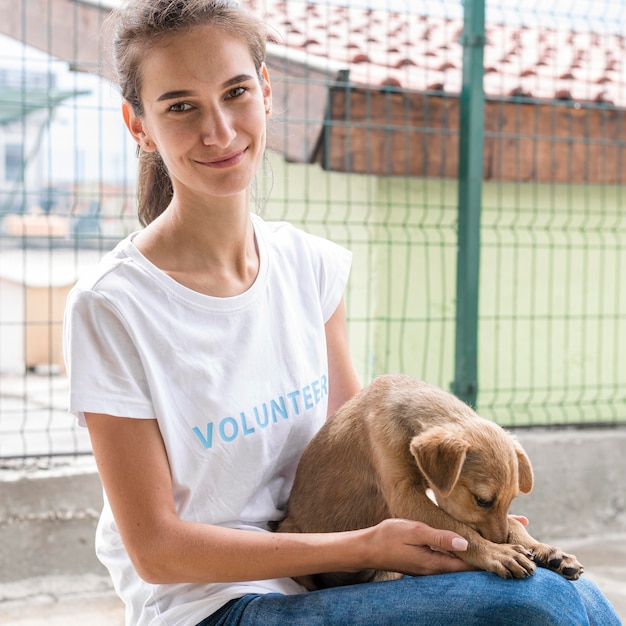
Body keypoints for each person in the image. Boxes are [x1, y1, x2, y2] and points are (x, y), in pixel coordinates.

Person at [63, 1, 622, 625]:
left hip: (332, 582)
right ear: (137, 124)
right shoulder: (112, 306)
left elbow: (356, 456)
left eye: (236, 92)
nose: (218, 130)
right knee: (538, 608)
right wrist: (368, 546)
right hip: (213, 606)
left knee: (575, 595)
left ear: (267, 92)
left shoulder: (311, 267)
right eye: (180, 106)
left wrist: (452, 529)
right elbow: (158, 552)